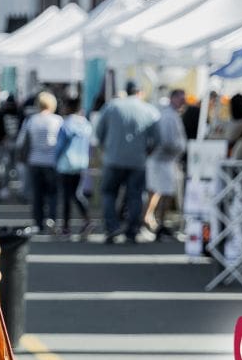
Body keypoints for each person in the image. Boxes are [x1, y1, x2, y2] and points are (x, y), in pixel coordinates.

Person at [95, 81, 159, 243]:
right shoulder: (149, 110)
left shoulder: (112, 107)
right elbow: (158, 138)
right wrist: (147, 152)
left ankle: (112, 228)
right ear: (141, 92)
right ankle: (132, 230)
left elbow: (99, 132)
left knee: (109, 193)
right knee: (135, 195)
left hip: (113, 158)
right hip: (137, 161)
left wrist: (106, 148)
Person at [14, 91, 63, 232]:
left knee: (37, 193)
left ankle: (38, 222)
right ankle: (51, 219)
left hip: (34, 160)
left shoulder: (31, 120)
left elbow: (21, 141)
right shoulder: (58, 120)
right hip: (52, 161)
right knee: (53, 193)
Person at [144, 89, 188, 240]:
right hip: (164, 160)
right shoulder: (169, 116)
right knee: (163, 192)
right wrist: (179, 149)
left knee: (158, 191)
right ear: (173, 98)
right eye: (181, 98)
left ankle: (153, 220)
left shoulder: (169, 115)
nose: (183, 102)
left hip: (164, 159)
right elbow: (168, 141)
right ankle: (155, 222)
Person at [54, 96, 94, 237]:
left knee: (67, 196)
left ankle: (66, 227)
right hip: (81, 163)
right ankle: (86, 219)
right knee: (76, 193)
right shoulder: (86, 124)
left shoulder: (66, 124)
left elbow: (59, 146)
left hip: (66, 163)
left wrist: (55, 160)